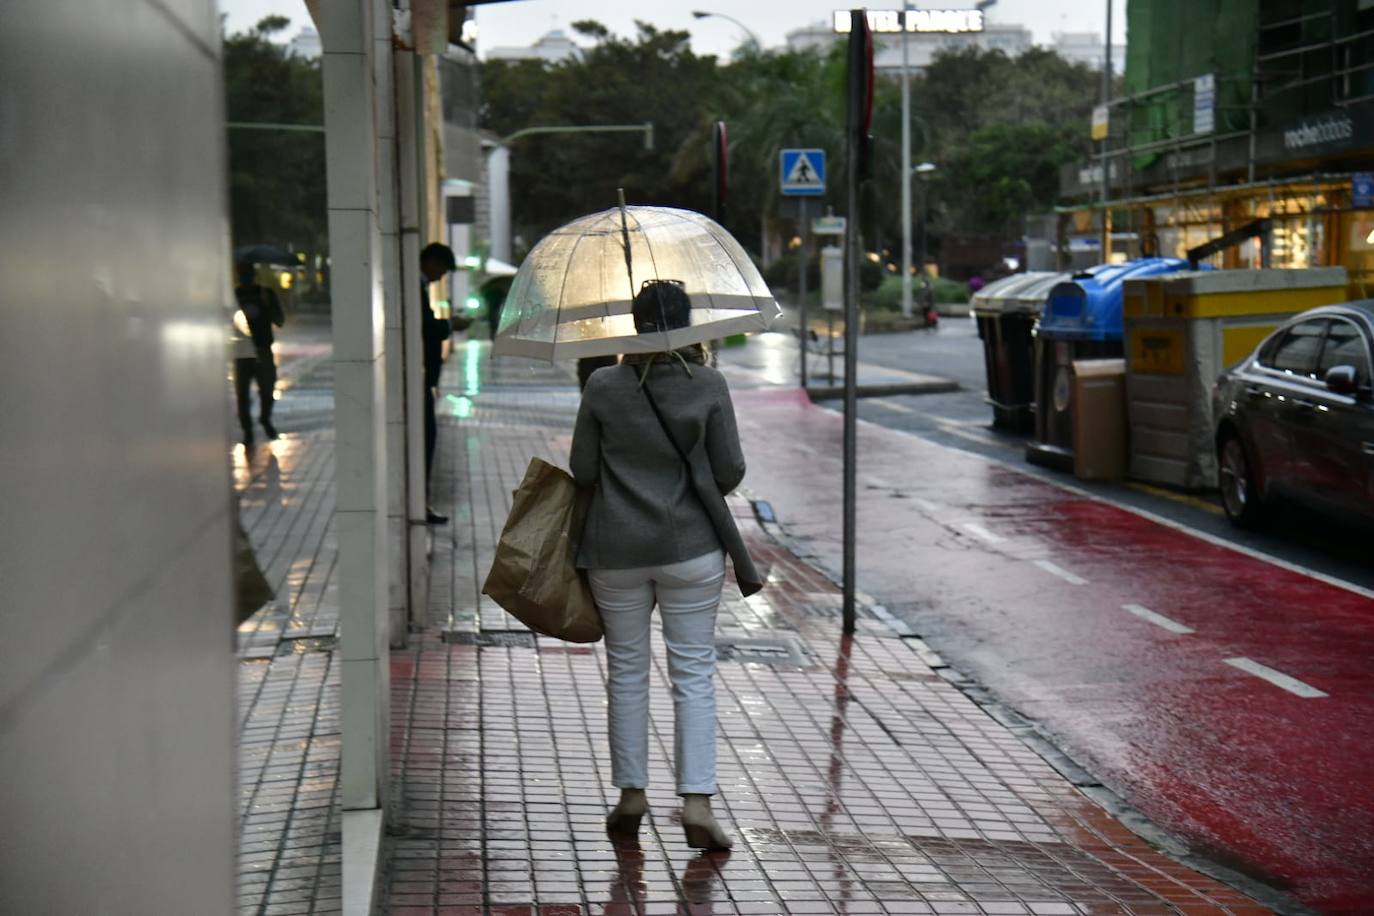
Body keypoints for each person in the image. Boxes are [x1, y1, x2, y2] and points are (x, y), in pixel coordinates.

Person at [569, 279, 763, 851]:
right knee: (693, 675)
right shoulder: (708, 383)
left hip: (615, 550)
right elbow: (730, 470)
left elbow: (583, 470)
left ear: (634, 325)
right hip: (691, 549)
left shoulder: (603, 385)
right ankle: (697, 802)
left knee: (626, 673)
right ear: (690, 325)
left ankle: (631, 795)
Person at [419, 242, 470, 525]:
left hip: (423, 377)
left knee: (428, 437)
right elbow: (427, 328)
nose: (442, 277)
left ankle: (421, 502)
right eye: (443, 270)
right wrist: (451, 325)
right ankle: (420, 504)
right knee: (426, 438)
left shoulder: (419, 286)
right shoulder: (415, 286)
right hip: (420, 377)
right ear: (432, 262)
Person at [233, 261, 285, 445]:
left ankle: (264, 419)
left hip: (261, 350)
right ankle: (248, 431)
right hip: (242, 352)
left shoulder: (265, 294)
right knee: (243, 395)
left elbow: (279, 320)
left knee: (266, 390)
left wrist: (267, 305)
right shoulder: (235, 296)